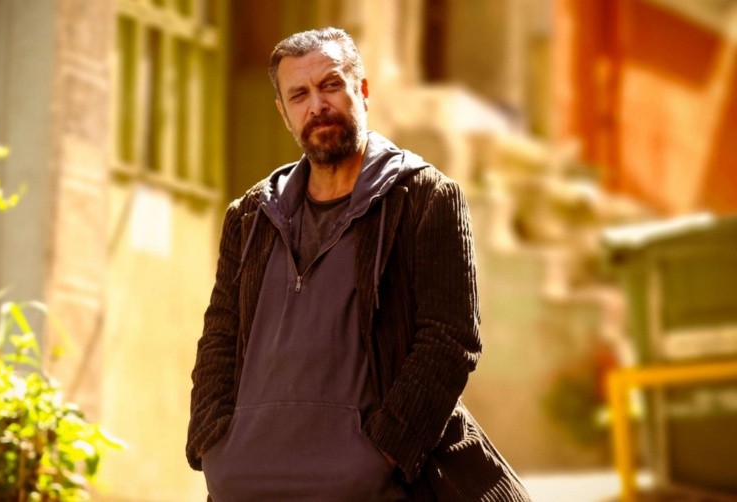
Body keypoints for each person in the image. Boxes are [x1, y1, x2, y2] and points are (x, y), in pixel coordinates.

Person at [186, 27, 530, 501]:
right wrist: (214, 446)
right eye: (299, 95)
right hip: (249, 487)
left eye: (331, 85)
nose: (317, 105)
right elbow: (220, 338)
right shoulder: (249, 217)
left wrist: (384, 454)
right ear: (284, 113)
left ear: (362, 90)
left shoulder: (426, 198)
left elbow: (450, 340)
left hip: (374, 489)